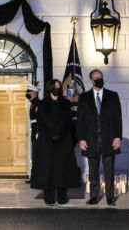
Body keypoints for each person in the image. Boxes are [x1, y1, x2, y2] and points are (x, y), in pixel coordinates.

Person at [76, 69, 122, 206]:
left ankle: (109, 197)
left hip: (109, 139)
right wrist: (81, 139)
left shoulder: (113, 96)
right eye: (96, 78)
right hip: (91, 140)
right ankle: (94, 197)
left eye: (101, 77)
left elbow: (117, 119)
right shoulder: (84, 97)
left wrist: (117, 137)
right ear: (91, 81)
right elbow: (80, 121)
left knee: (109, 170)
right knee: (93, 171)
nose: (99, 79)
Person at [30, 78, 79, 205]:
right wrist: (52, 134)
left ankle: (62, 197)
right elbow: (41, 121)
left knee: (62, 169)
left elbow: (68, 121)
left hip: (63, 141)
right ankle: (49, 197)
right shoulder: (42, 103)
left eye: (58, 87)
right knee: (48, 169)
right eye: (54, 87)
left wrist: (60, 134)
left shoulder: (66, 103)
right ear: (49, 88)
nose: (56, 89)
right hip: (47, 141)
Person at [26, 84, 39, 183]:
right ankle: (34, 176)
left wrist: (38, 132)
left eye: (29, 92)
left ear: (34, 93)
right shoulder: (32, 104)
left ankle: (36, 177)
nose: (27, 94)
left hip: (37, 132)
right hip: (34, 132)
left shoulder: (37, 103)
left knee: (36, 155)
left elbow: (38, 119)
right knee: (34, 156)